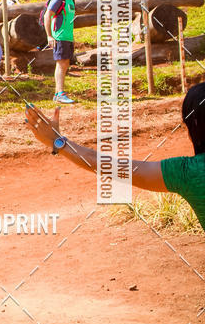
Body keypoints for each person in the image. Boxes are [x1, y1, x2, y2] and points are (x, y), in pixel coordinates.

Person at [24, 81, 205, 230]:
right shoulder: (189, 172)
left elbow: (115, 167)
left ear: (192, 130)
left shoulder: (190, 173)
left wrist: (58, 142)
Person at [43, 0, 76, 104]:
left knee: (65, 63)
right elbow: (47, 15)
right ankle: (60, 93)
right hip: (59, 36)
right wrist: (49, 35)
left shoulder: (71, 0)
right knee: (61, 64)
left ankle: (58, 93)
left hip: (68, 37)